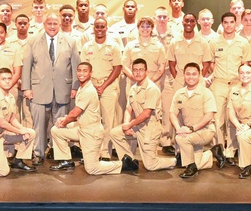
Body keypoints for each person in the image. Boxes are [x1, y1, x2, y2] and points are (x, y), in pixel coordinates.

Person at [22, 13, 80, 164]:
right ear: (44, 25)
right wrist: (26, 88)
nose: (52, 27)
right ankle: (38, 153)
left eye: (55, 24)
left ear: (59, 24)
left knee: (60, 124)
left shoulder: (70, 41)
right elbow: (27, 66)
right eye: (49, 24)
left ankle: (59, 154)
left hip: (63, 90)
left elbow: (75, 66)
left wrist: (75, 87)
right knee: (39, 125)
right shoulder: (32, 41)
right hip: (39, 90)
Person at [49, 62, 125, 175]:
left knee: (92, 169)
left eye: (85, 71)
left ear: (90, 73)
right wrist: (64, 119)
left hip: (91, 133)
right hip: (81, 129)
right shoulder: (81, 88)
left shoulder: (89, 90)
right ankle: (65, 161)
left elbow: (75, 113)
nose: (81, 73)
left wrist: (64, 122)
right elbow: (78, 114)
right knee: (56, 130)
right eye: (79, 70)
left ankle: (122, 164)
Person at [109, 58, 176, 173]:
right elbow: (128, 109)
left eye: (141, 70)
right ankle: (130, 161)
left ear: (146, 72)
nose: (137, 72)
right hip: (137, 126)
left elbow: (146, 114)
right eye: (135, 70)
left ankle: (175, 161)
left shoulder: (152, 89)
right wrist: (126, 124)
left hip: (150, 128)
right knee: (115, 133)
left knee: (150, 165)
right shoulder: (133, 88)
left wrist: (130, 125)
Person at [207, 12, 251, 165]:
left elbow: (247, 63)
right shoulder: (214, 42)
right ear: (222, 24)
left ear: (236, 23)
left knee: (233, 119)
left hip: (236, 84)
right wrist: (217, 74)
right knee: (218, 119)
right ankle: (219, 150)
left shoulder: (243, 43)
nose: (228, 25)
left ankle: (230, 152)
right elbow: (211, 63)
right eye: (225, 22)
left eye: (231, 22)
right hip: (219, 84)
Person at [0, 67, 38, 176]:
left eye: (9, 79)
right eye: (3, 79)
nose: (7, 81)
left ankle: (18, 160)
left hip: (3, 134)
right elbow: (2, 123)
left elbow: (12, 119)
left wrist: (22, 129)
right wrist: (19, 131)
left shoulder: (10, 96)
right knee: (3, 172)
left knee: (30, 133)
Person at [81, 18, 124, 159]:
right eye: (97, 27)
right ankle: (90, 152)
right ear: (93, 28)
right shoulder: (87, 47)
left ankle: (105, 152)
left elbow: (117, 68)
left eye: (102, 26)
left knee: (108, 120)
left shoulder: (113, 46)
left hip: (108, 86)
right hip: (91, 86)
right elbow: (84, 68)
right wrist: (93, 86)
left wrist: (103, 86)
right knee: (90, 121)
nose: (99, 29)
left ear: (106, 28)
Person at [169, 62, 217, 178]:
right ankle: (212, 153)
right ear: (184, 76)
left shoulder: (206, 93)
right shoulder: (179, 93)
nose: (191, 77)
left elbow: (209, 116)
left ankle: (190, 166)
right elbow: (172, 113)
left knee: (181, 139)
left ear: (199, 75)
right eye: (188, 74)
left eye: (194, 74)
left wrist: (191, 129)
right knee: (195, 161)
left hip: (205, 131)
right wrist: (178, 128)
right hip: (188, 132)